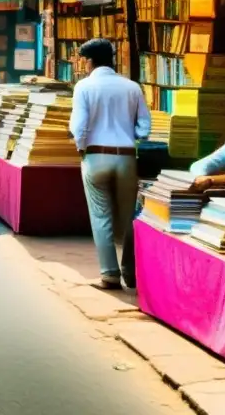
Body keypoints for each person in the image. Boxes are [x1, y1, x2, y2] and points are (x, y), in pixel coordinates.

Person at [69, 38, 150, 292]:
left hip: (95, 155)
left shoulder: (84, 87)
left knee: (100, 216)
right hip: (126, 156)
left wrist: (81, 146)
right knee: (129, 217)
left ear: (90, 61)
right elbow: (144, 128)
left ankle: (110, 274)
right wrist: (129, 134)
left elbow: (78, 126)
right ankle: (130, 270)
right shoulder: (132, 87)